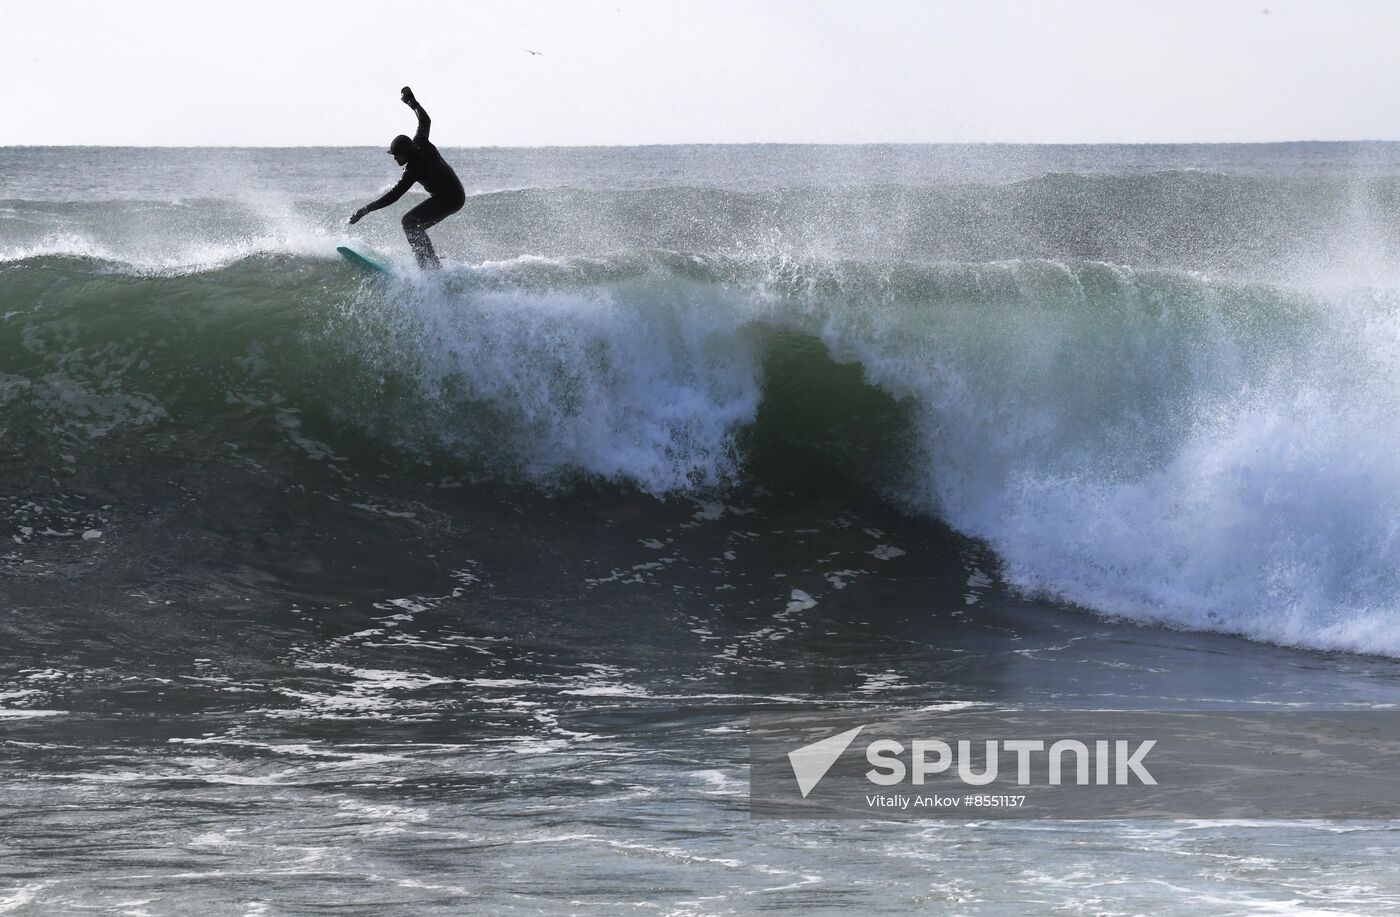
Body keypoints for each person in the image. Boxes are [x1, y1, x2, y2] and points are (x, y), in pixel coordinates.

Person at [348, 87, 465, 269]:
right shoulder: (420, 141)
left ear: (405, 153)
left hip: (451, 198)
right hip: (452, 195)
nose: (395, 159)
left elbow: (393, 196)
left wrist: (365, 210)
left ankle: (427, 267)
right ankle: (431, 263)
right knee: (414, 225)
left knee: (409, 222)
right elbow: (425, 120)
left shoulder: (413, 169)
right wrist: (411, 101)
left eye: (396, 155)